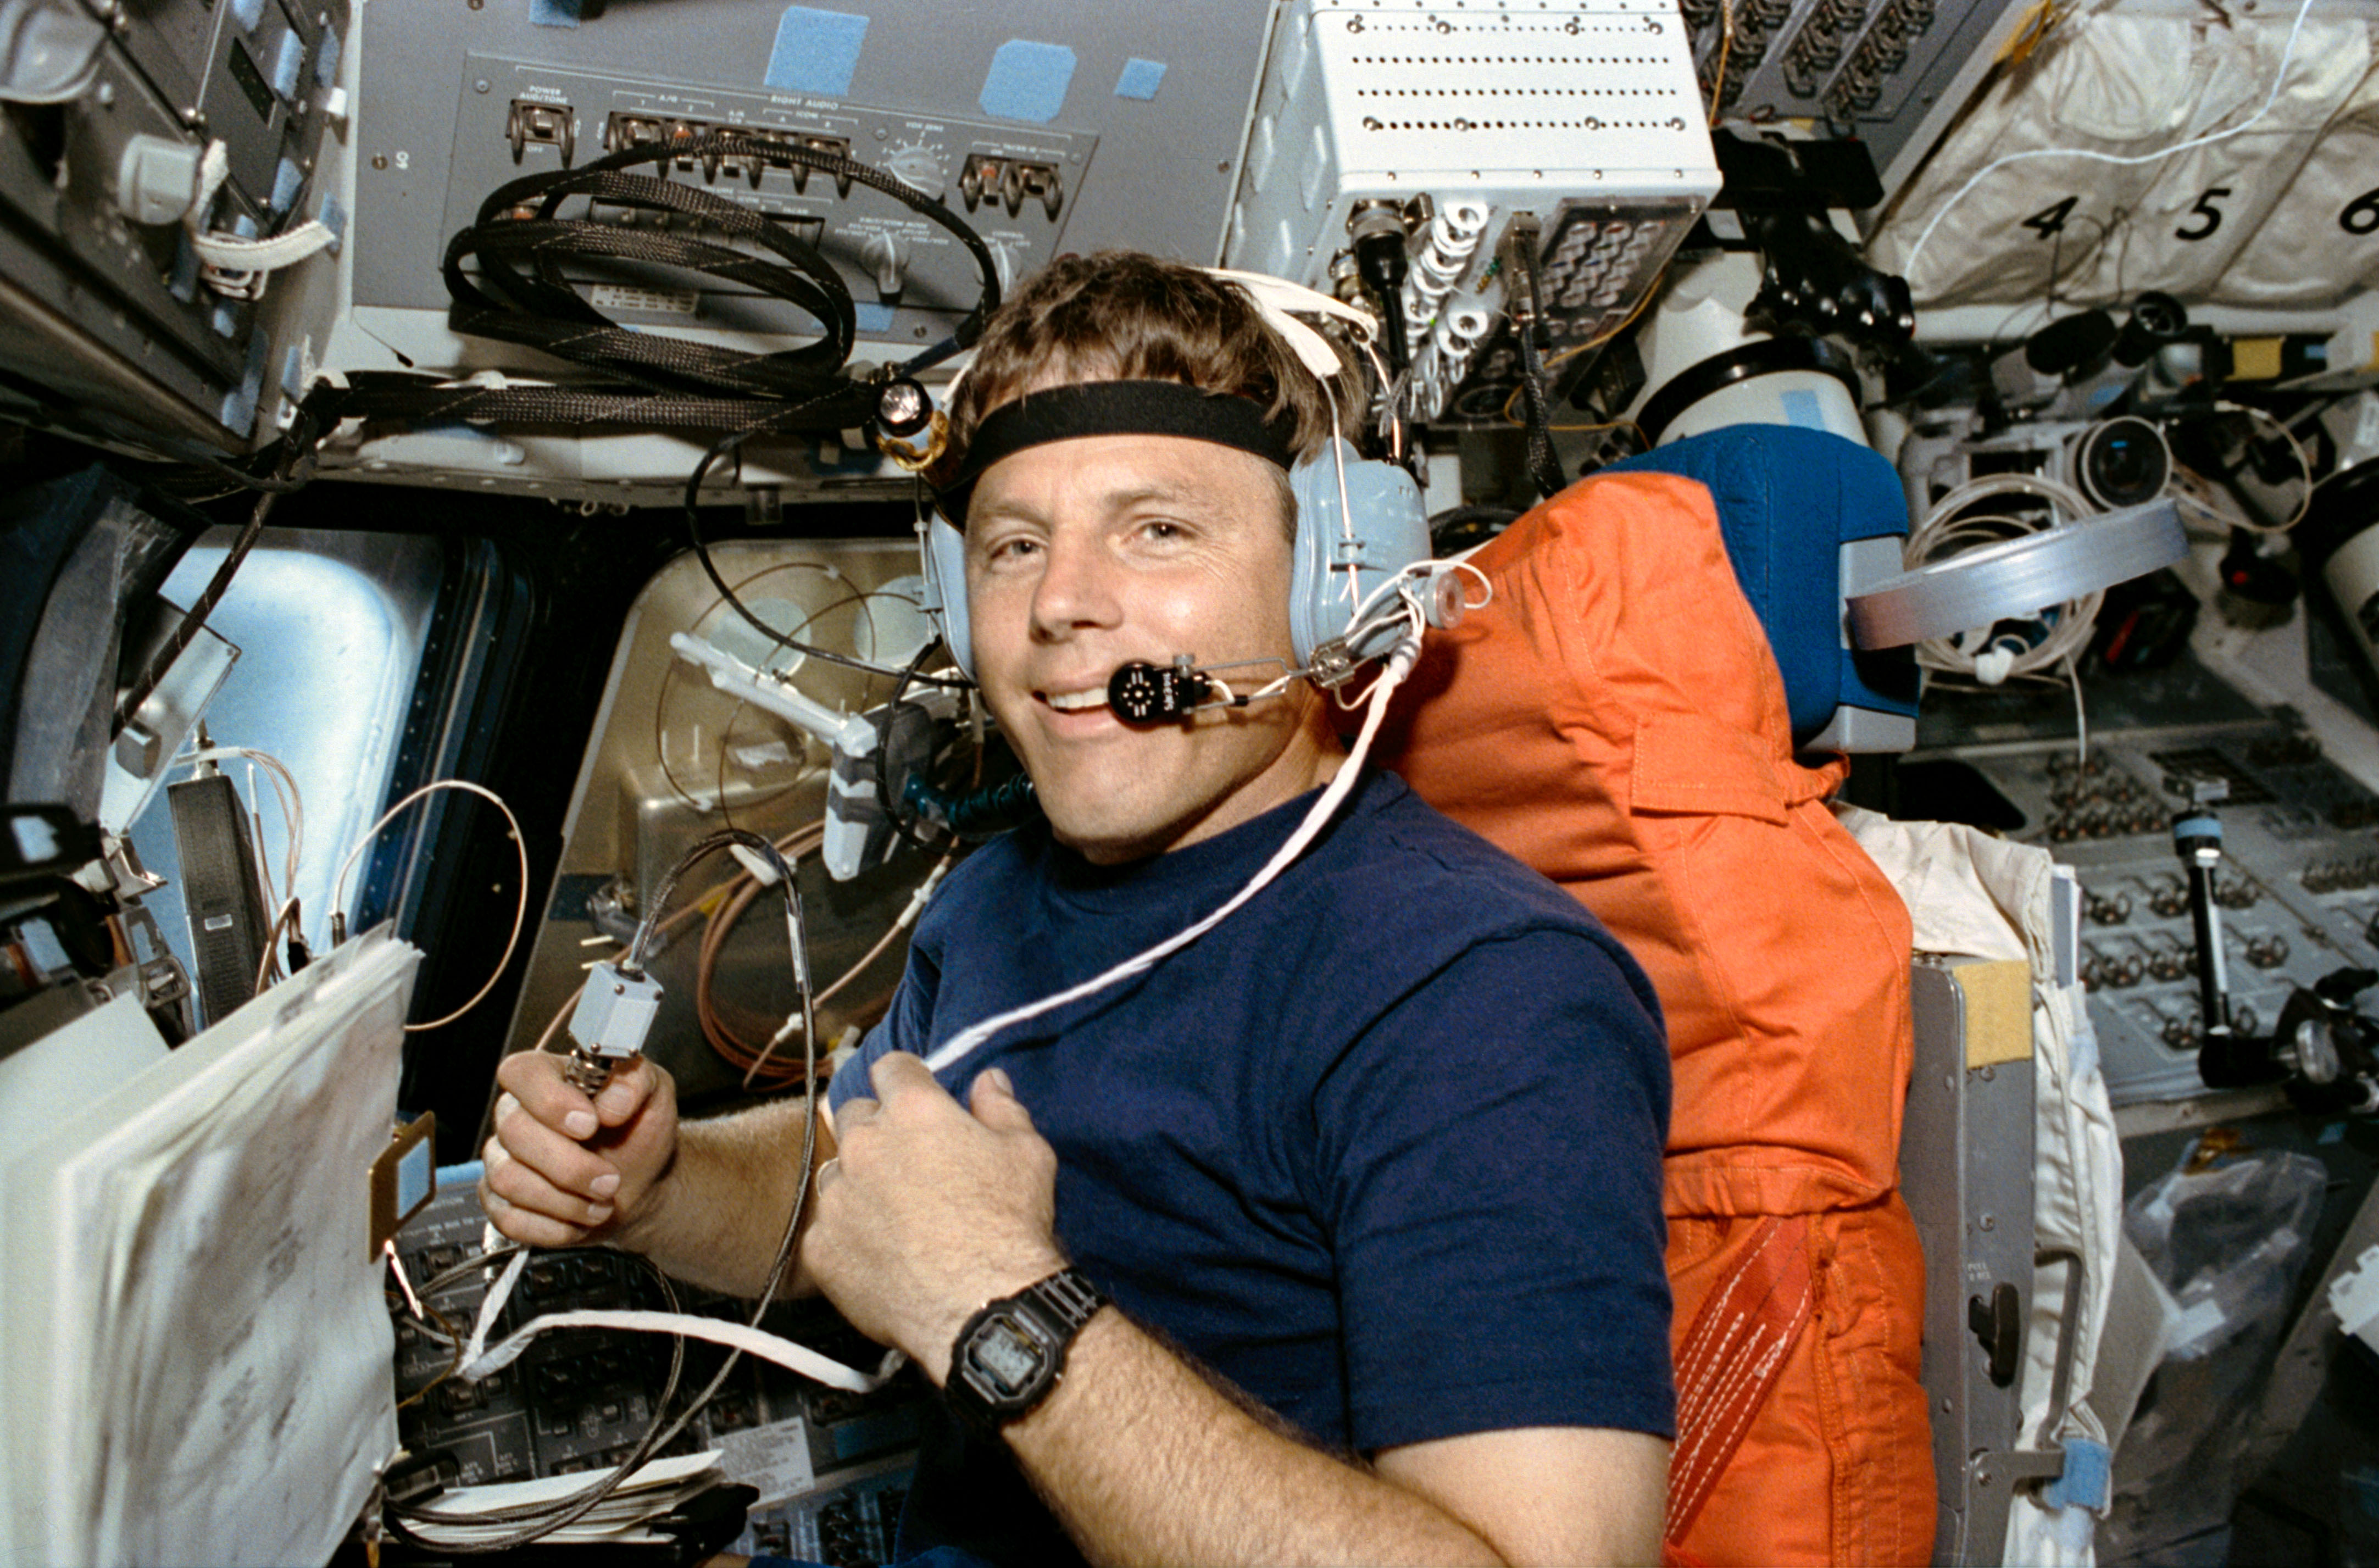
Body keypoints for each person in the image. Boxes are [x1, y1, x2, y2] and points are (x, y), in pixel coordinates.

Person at [481, 251, 1675, 1567]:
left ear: (1331, 582)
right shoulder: (997, 897)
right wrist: (654, 1180)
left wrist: (1003, 1310)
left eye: (1158, 528)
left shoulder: (1475, 990)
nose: (1060, 603)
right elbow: (864, 1177)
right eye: (1013, 546)